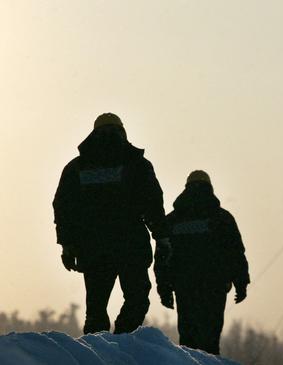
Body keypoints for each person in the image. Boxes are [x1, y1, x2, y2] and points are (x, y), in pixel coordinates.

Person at [53, 112, 170, 334]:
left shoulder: (76, 168)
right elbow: (152, 203)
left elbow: (63, 208)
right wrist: (161, 236)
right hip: (131, 244)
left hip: (93, 247)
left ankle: (98, 353)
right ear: (122, 132)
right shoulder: (137, 164)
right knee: (137, 299)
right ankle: (122, 343)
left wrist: (67, 245)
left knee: (95, 309)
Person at [155, 170, 250, 355]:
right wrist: (241, 283)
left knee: (188, 340)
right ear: (210, 188)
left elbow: (162, 258)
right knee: (211, 338)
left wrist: (164, 289)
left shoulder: (172, 220)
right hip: (214, 287)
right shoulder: (222, 219)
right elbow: (236, 253)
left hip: (184, 286)